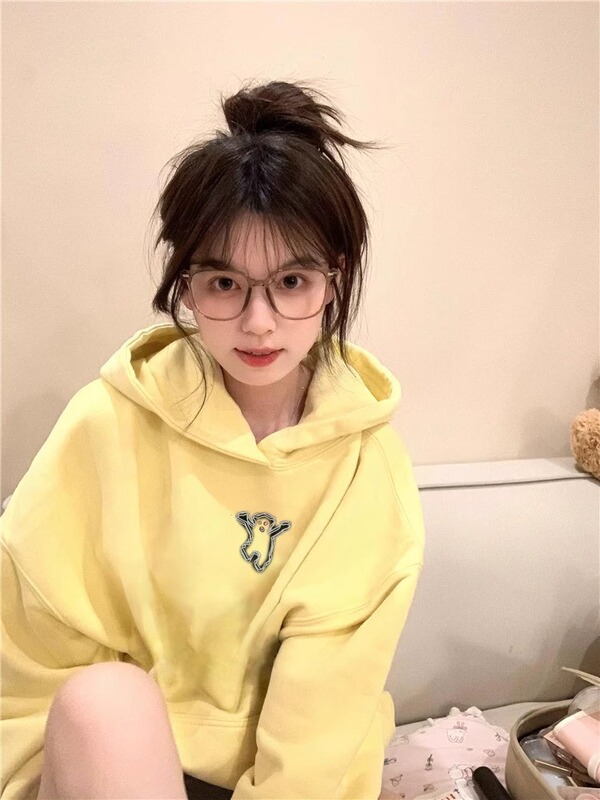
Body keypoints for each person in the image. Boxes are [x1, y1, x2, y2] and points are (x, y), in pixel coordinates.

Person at [0, 79, 425, 800]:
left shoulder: (364, 466)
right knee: (109, 703)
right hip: (100, 765)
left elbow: (320, 727)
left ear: (334, 279)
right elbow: (33, 644)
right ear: (187, 283)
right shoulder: (107, 423)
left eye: (291, 281)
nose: (259, 322)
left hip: (285, 783)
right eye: (225, 283)